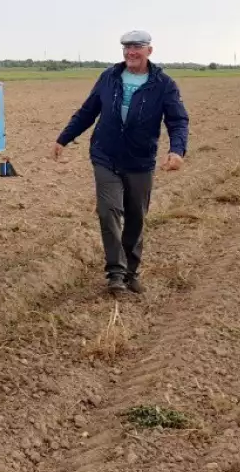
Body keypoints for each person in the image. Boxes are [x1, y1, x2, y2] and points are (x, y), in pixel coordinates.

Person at [51, 30, 189, 295]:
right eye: (126, 48)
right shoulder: (109, 78)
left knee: (136, 216)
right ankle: (115, 272)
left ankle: (131, 272)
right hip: (105, 155)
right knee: (109, 211)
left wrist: (177, 150)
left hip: (140, 160)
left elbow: (177, 120)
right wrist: (63, 138)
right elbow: (88, 111)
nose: (130, 52)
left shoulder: (163, 84)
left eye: (136, 47)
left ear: (149, 50)